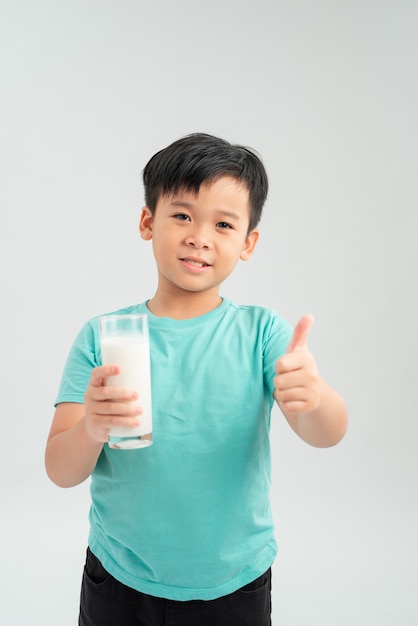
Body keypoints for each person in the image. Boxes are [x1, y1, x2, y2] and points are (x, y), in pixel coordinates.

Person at [45, 132, 348, 626]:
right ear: (148, 221)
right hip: (120, 579)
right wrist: (92, 428)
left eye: (223, 224)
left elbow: (327, 433)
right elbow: (60, 469)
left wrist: (313, 398)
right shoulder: (103, 337)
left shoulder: (262, 333)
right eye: (182, 215)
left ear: (248, 242)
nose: (199, 236)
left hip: (234, 581)